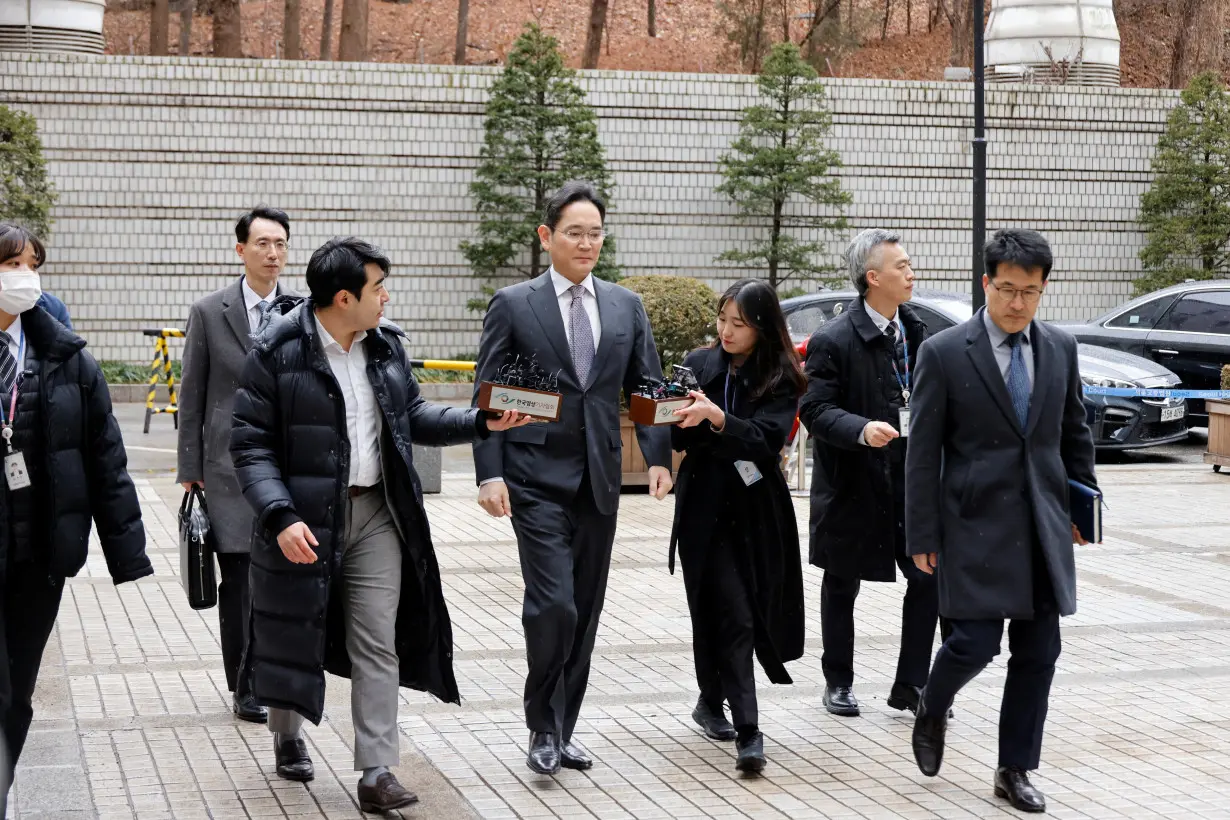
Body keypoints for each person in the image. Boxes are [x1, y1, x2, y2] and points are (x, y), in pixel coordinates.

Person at [230, 237, 528, 813]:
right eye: (378, 288)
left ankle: (376, 770)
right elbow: (250, 445)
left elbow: (413, 415)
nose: (387, 297)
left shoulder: (385, 347)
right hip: (303, 520)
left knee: (377, 640)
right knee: (292, 630)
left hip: (377, 513)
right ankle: (287, 734)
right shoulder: (275, 349)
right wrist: (280, 515)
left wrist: (480, 422)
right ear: (344, 297)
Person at [472, 180, 673, 775]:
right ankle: (541, 721)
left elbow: (646, 388)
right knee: (552, 605)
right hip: (534, 478)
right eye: (574, 232)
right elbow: (489, 394)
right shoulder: (514, 303)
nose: (586, 243)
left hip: (600, 480)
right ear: (547, 236)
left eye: (595, 233)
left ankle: (563, 728)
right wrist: (490, 473)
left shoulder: (624, 305)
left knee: (584, 610)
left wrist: (658, 457)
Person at [906, 228, 1097, 814]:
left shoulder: (1060, 349)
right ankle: (932, 705)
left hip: (1042, 522)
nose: (1017, 304)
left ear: (1043, 290)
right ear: (986, 283)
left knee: (1039, 650)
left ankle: (1014, 769)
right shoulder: (942, 352)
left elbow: (1074, 433)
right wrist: (922, 535)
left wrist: (1081, 512)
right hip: (972, 521)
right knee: (973, 643)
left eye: (1030, 293)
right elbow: (922, 452)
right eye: (1007, 289)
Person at [0, 223, 152, 812]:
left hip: (40, 554)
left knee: (17, 692)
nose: (22, 277)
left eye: (31, 265)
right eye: (11, 264)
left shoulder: (66, 357)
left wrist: (127, 549)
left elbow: (105, 455)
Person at [798, 228, 943, 719]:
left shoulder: (917, 330)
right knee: (842, 583)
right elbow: (814, 410)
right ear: (872, 277)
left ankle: (913, 685)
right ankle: (837, 681)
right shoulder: (834, 339)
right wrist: (861, 429)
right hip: (853, 481)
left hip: (909, 481)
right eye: (901, 266)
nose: (911, 272)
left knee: (927, 577)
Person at [669, 279, 805, 773]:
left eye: (738, 324)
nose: (725, 331)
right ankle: (711, 701)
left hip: (754, 511)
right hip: (702, 506)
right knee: (711, 606)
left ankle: (747, 727)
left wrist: (718, 418)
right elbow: (679, 439)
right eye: (722, 319)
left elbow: (765, 440)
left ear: (763, 327)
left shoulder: (782, 374)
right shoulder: (700, 363)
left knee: (742, 613)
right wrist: (667, 415)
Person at [177, 206, 297, 725]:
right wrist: (190, 467)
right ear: (240, 249)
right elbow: (192, 393)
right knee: (240, 580)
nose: (273, 254)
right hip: (225, 469)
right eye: (264, 243)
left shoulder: (301, 311)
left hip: (288, 465)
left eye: (281, 244)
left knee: (281, 581)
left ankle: (277, 674)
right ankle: (244, 683)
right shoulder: (210, 311)